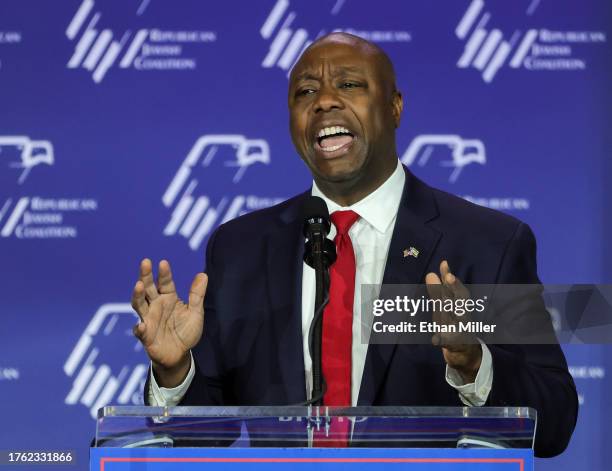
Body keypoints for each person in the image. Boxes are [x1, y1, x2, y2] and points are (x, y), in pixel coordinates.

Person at [131, 33, 577, 457]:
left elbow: (554, 422)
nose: (324, 100)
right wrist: (175, 372)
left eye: (349, 84)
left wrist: (473, 364)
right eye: (305, 93)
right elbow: (207, 435)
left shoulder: (486, 243)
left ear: (395, 106)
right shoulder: (241, 248)